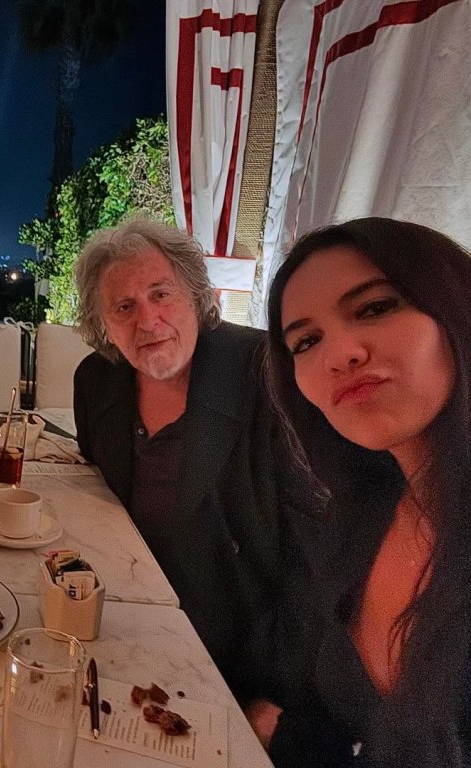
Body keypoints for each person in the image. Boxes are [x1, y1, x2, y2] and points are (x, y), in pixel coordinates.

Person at [254, 218, 471, 767]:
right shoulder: (366, 511)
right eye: (306, 341)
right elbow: (341, 721)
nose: (339, 354)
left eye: (374, 308)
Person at [72, 217, 288, 702]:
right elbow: (95, 492)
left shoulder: (264, 374)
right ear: (103, 324)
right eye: (123, 306)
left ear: (198, 295)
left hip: (235, 651)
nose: (146, 321)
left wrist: (282, 698)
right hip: (120, 620)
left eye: (161, 294)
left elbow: (309, 552)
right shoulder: (97, 380)